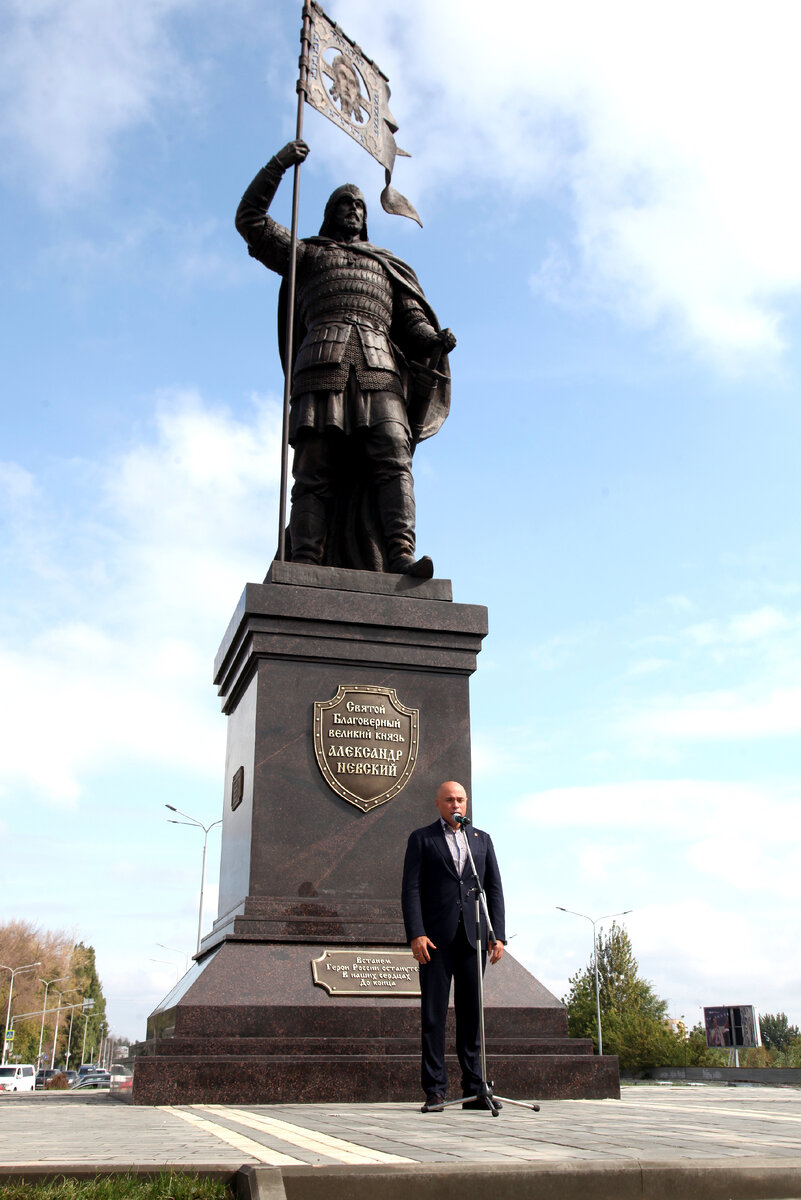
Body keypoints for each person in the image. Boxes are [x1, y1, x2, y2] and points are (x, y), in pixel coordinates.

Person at [236, 139, 456, 576]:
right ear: (330, 211)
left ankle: (400, 555)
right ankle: (304, 561)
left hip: (380, 368)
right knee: (316, 467)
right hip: (321, 366)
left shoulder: (385, 265)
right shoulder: (309, 254)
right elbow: (251, 221)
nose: (353, 209)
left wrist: (433, 339)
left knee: (394, 456)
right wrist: (280, 163)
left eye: (360, 205)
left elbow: (410, 321)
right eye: (345, 202)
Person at [401, 780, 506, 1112]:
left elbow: (494, 889)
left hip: (473, 940)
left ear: (467, 803)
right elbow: (411, 889)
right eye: (449, 800)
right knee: (434, 1016)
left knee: (471, 1015)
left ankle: (475, 1087)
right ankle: (435, 1089)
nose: (455, 805)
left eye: (460, 799)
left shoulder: (481, 841)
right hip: (435, 940)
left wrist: (498, 934)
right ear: (437, 804)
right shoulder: (422, 839)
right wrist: (416, 933)